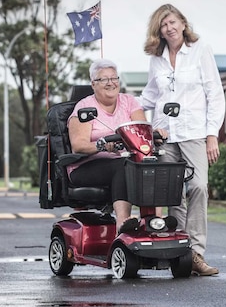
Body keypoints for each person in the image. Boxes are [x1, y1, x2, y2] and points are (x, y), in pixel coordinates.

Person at [138, 4, 225, 276]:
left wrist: (212, 134)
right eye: (164, 25)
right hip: (165, 135)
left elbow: (215, 94)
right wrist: (122, 107)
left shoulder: (201, 51)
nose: (169, 28)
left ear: (183, 24)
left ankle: (196, 253)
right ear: (159, 31)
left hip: (194, 133)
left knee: (198, 186)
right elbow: (150, 97)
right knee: (172, 193)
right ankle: (177, 253)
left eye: (173, 22)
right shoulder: (157, 60)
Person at [67, 59, 168, 236]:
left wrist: (155, 135)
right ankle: (123, 222)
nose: (110, 83)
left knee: (151, 164)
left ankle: (155, 222)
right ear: (93, 84)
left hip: (123, 160)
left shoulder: (129, 102)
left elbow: (142, 130)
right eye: (104, 79)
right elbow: (78, 145)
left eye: (114, 78)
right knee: (123, 167)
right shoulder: (84, 107)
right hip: (86, 165)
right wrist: (101, 146)